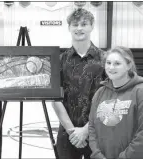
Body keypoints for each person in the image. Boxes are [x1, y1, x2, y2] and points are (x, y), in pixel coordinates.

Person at [52, 8, 105, 159]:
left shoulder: (105, 59)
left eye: (84, 24)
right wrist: (72, 131)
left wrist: (86, 130)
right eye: (75, 24)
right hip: (68, 133)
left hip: (97, 131)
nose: (79, 28)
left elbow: (108, 100)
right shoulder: (60, 60)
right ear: (69, 27)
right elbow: (56, 99)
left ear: (92, 26)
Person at [88, 46, 143, 158]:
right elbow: (92, 127)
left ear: (129, 65)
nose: (111, 67)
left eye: (117, 63)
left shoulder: (141, 91)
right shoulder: (100, 93)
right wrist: (97, 155)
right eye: (108, 63)